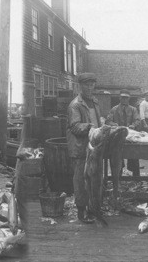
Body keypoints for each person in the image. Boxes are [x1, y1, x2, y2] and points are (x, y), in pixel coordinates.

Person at [66, 73, 101, 224]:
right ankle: (81, 211)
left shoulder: (94, 101)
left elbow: (97, 120)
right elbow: (74, 126)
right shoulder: (75, 105)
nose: (90, 87)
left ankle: (92, 207)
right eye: (87, 84)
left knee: (93, 179)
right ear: (80, 86)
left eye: (92, 84)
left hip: (93, 146)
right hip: (80, 148)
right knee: (80, 180)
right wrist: (89, 127)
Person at [106, 89, 141, 176]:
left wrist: (133, 125)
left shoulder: (133, 110)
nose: (124, 99)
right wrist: (113, 124)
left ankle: (136, 178)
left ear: (129, 99)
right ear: (119, 98)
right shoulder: (114, 109)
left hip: (130, 136)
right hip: (118, 136)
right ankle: (118, 178)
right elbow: (108, 121)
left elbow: (138, 120)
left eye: (126, 98)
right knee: (117, 158)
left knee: (134, 156)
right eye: (122, 98)